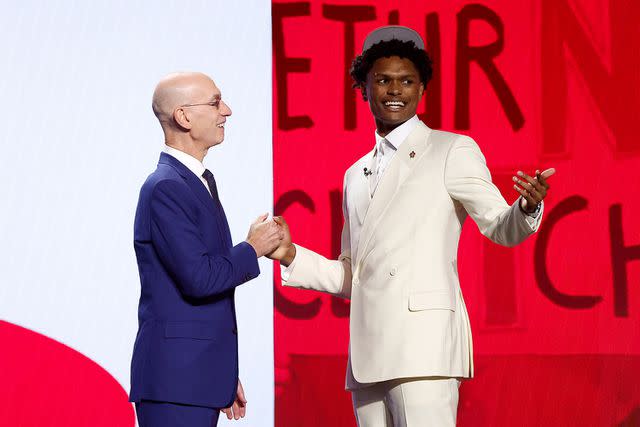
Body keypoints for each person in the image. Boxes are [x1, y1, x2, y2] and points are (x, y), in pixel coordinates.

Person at [269, 26, 555, 426]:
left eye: (407, 81)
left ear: (422, 89)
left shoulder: (451, 149)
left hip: (425, 350)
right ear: (364, 88)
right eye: (383, 80)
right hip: (368, 356)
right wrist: (290, 255)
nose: (394, 90)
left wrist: (525, 206)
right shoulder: (355, 174)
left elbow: (499, 226)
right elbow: (355, 276)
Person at [129, 72, 282, 427]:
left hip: (193, 378)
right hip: (175, 383)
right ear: (183, 117)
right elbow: (200, 278)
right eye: (215, 102)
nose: (225, 110)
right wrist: (252, 247)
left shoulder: (195, 181)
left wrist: (221, 373)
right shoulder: (167, 187)